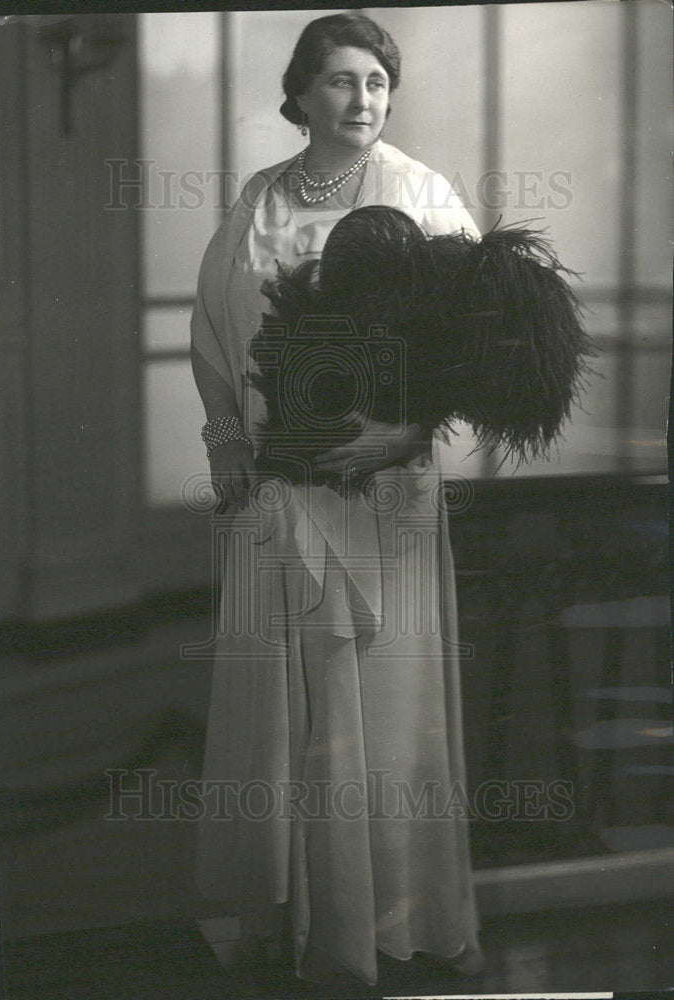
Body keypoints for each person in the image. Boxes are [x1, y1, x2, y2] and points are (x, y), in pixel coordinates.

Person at [190, 12, 483, 986]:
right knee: (281, 724)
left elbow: (486, 344)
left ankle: (379, 924)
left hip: (384, 494)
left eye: (375, 81)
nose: (363, 99)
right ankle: (288, 923)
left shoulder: (426, 196)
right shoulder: (261, 200)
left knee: (382, 719)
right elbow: (214, 330)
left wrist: (398, 435)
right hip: (279, 493)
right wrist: (228, 434)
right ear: (302, 93)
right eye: (341, 81)